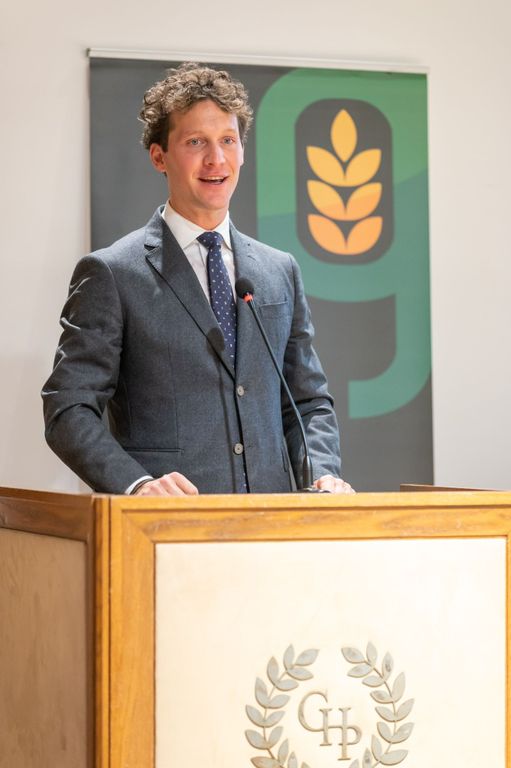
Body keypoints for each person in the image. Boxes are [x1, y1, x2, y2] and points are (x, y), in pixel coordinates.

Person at [42, 62, 353, 496]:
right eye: (195, 142)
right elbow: (68, 408)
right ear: (159, 157)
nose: (216, 159)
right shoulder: (112, 274)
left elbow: (308, 402)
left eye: (227, 140)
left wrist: (322, 473)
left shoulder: (279, 270)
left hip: (275, 522)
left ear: (242, 152)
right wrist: (137, 485)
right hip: (167, 526)